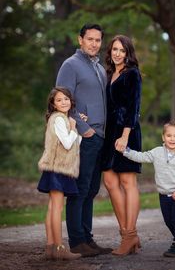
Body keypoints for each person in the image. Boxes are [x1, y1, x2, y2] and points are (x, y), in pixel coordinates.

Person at [56, 24, 111, 257]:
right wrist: (83, 127)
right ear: (80, 40)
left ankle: (88, 240)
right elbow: (61, 99)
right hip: (84, 137)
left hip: (101, 137)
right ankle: (77, 242)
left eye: (98, 40)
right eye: (90, 39)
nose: (94, 43)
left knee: (91, 190)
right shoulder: (71, 65)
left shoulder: (100, 68)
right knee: (79, 190)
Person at [118, 120, 175, 257]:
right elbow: (142, 156)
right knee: (168, 221)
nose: (172, 139)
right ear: (163, 137)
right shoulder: (157, 152)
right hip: (163, 195)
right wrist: (126, 151)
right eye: (169, 135)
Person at [102, 35, 142, 256]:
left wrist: (126, 135)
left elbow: (134, 107)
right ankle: (127, 233)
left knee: (128, 181)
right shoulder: (108, 74)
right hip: (109, 134)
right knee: (109, 181)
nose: (117, 53)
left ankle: (129, 236)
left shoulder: (132, 74)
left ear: (128, 53)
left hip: (127, 132)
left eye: (122, 50)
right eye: (114, 49)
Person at [37, 86, 82, 261]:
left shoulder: (60, 119)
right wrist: (73, 127)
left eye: (66, 99)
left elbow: (75, 141)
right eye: (59, 100)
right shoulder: (59, 120)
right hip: (58, 169)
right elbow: (68, 143)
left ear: (71, 101)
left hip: (54, 168)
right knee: (57, 207)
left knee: (52, 207)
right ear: (53, 104)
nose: (64, 102)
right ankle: (60, 247)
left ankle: (50, 247)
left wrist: (74, 128)